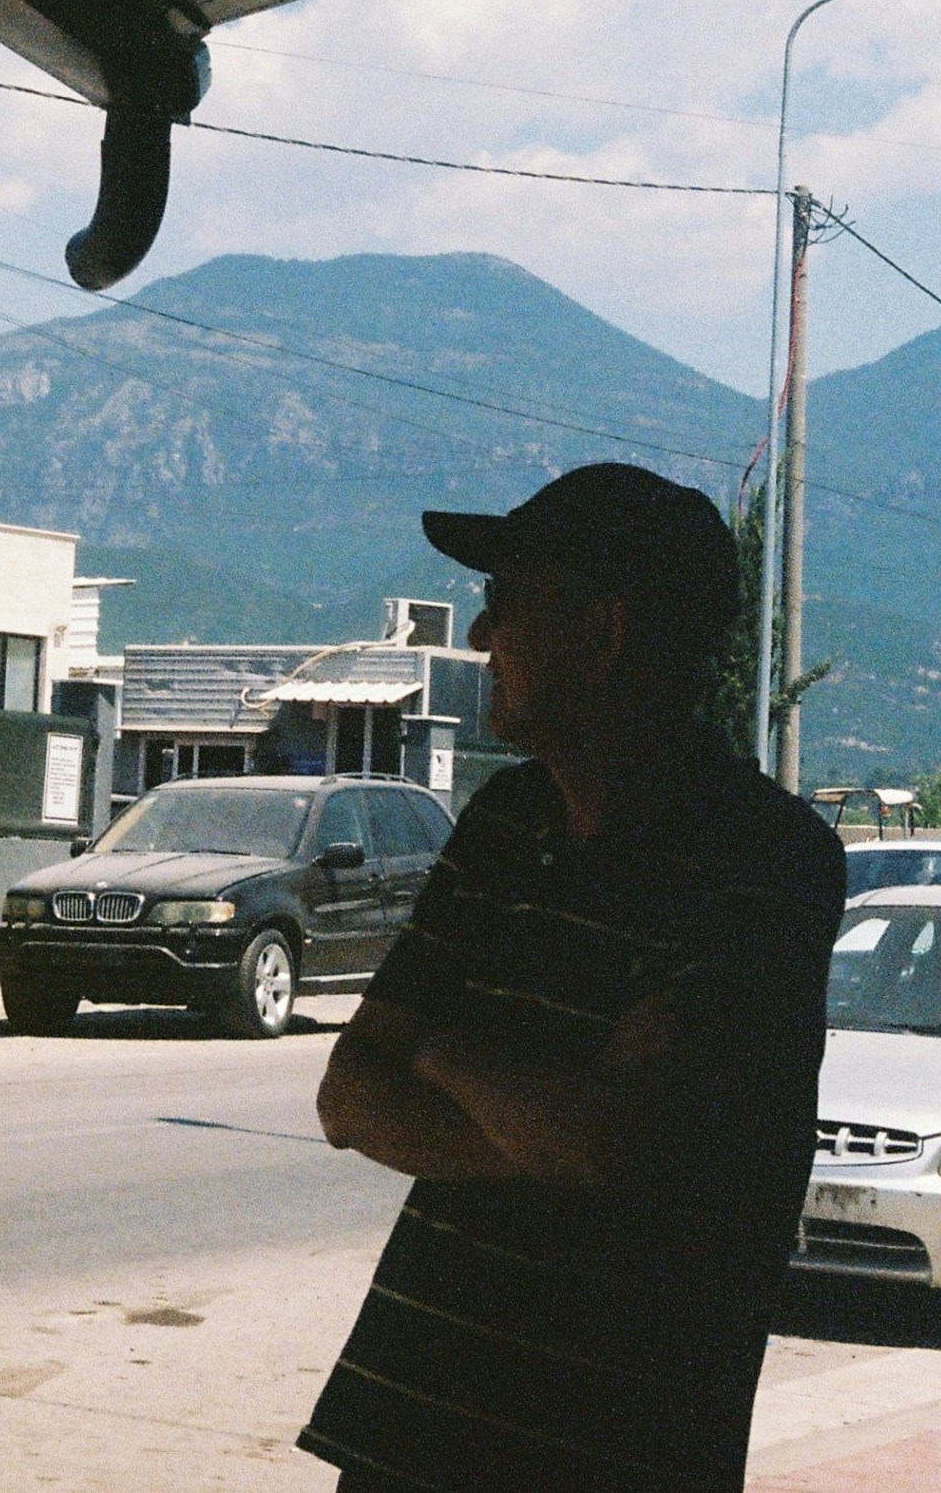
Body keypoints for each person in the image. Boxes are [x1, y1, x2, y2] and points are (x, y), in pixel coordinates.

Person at [301, 462, 846, 1493]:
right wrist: (543, 1108)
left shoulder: (767, 861)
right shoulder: (504, 823)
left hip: (604, 1448)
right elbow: (348, 1093)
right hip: (405, 1440)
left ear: (601, 633)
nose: (477, 637)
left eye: (502, 603)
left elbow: (621, 1141)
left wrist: (432, 1046)